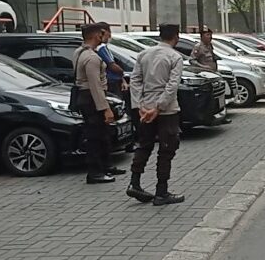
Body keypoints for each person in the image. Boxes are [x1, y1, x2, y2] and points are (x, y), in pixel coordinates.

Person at [127, 24, 185, 205]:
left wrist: (139, 105)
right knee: (167, 149)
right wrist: (159, 108)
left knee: (144, 145)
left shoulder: (144, 54)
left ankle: (134, 182)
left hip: (145, 107)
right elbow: (172, 85)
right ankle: (162, 191)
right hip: (167, 110)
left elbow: (135, 79)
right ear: (176, 37)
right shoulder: (175, 57)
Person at [72, 23, 122, 184]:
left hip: (86, 97)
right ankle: (95, 172)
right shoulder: (91, 58)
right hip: (91, 99)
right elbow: (95, 85)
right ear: (95, 36)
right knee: (94, 136)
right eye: (101, 35)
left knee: (101, 135)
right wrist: (105, 108)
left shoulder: (79, 53)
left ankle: (104, 167)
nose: (103, 37)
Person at [95, 22, 127, 97]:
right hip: (111, 81)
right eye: (108, 33)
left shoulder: (100, 47)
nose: (109, 36)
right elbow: (111, 65)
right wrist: (122, 72)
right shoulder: (101, 47)